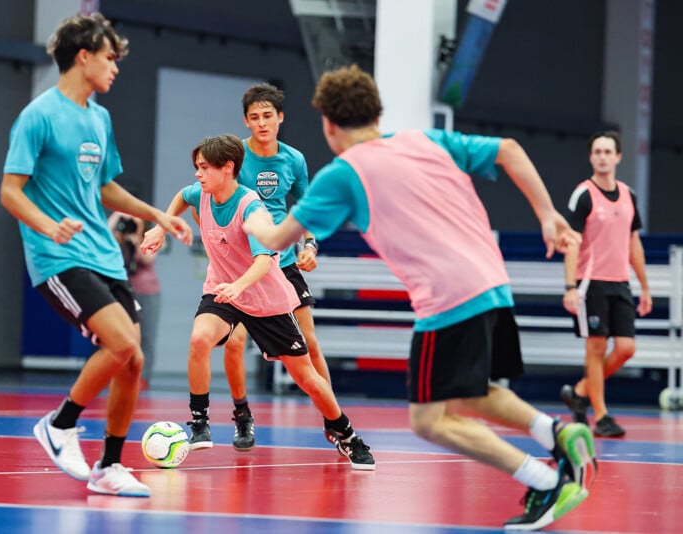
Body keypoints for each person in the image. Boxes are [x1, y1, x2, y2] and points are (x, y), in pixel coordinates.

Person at [243, 64, 597, 530]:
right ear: (377, 112)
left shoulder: (342, 175)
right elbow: (509, 150)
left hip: (449, 296)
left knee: (428, 420)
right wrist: (548, 215)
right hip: (493, 282)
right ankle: (556, 432)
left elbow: (278, 234)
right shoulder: (424, 140)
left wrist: (248, 216)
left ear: (329, 125)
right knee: (468, 393)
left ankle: (545, 481)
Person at [0, 13, 192, 497]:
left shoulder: (99, 118)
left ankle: (108, 466)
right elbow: (10, 191)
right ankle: (60, 424)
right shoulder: (38, 115)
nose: (116, 67)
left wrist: (158, 215)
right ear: (83, 57)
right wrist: (47, 226)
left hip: (105, 257)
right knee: (122, 343)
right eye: (110, 57)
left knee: (133, 361)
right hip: (58, 257)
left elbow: (104, 187)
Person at [140, 134, 375, 470]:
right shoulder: (203, 193)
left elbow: (265, 261)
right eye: (197, 167)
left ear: (228, 168)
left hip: (264, 297)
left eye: (204, 167)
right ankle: (200, 422)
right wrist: (161, 227)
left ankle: (347, 434)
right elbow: (181, 196)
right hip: (224, 289)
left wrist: (239, 286)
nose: (197, 174)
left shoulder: (251, 208)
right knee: (199, 339)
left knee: (306, 376)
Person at [220, 83, 330, 451]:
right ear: (246, 121)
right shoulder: (234, 156)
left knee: (310, 342)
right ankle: (242, 416)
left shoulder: (294, 160)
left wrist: (310, 244)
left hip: (282, 263)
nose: (262, 123)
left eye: (268, 115)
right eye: (255, 117)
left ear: (280, 117)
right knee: (234, 343)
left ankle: (334, 420)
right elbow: (212, 197)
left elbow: (307, 209)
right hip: (243, 265)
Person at [560, 131, 652, 438]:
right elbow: (572, 242)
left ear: (617, 157)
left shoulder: (629, 195)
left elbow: (633, 241)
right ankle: (601, 416)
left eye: (607, 151)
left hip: (620, 282)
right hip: (591, 283)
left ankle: (581, 390)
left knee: (626, 348)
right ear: (591, 157)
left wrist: (645, 286)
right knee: (596, 348)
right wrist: (570, 286)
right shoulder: (583, 194)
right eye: (596, 151)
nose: (602, 156)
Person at [108, 210, 162, 391]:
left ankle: (142, 378)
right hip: (122, 291)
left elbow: (148, 259)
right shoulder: (118, 238)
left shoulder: (150, 237)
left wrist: (136, 238)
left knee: (146, 336)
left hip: (147, 292)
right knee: (120, 335)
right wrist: (117, 216)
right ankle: (119, 374)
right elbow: (105, 239)